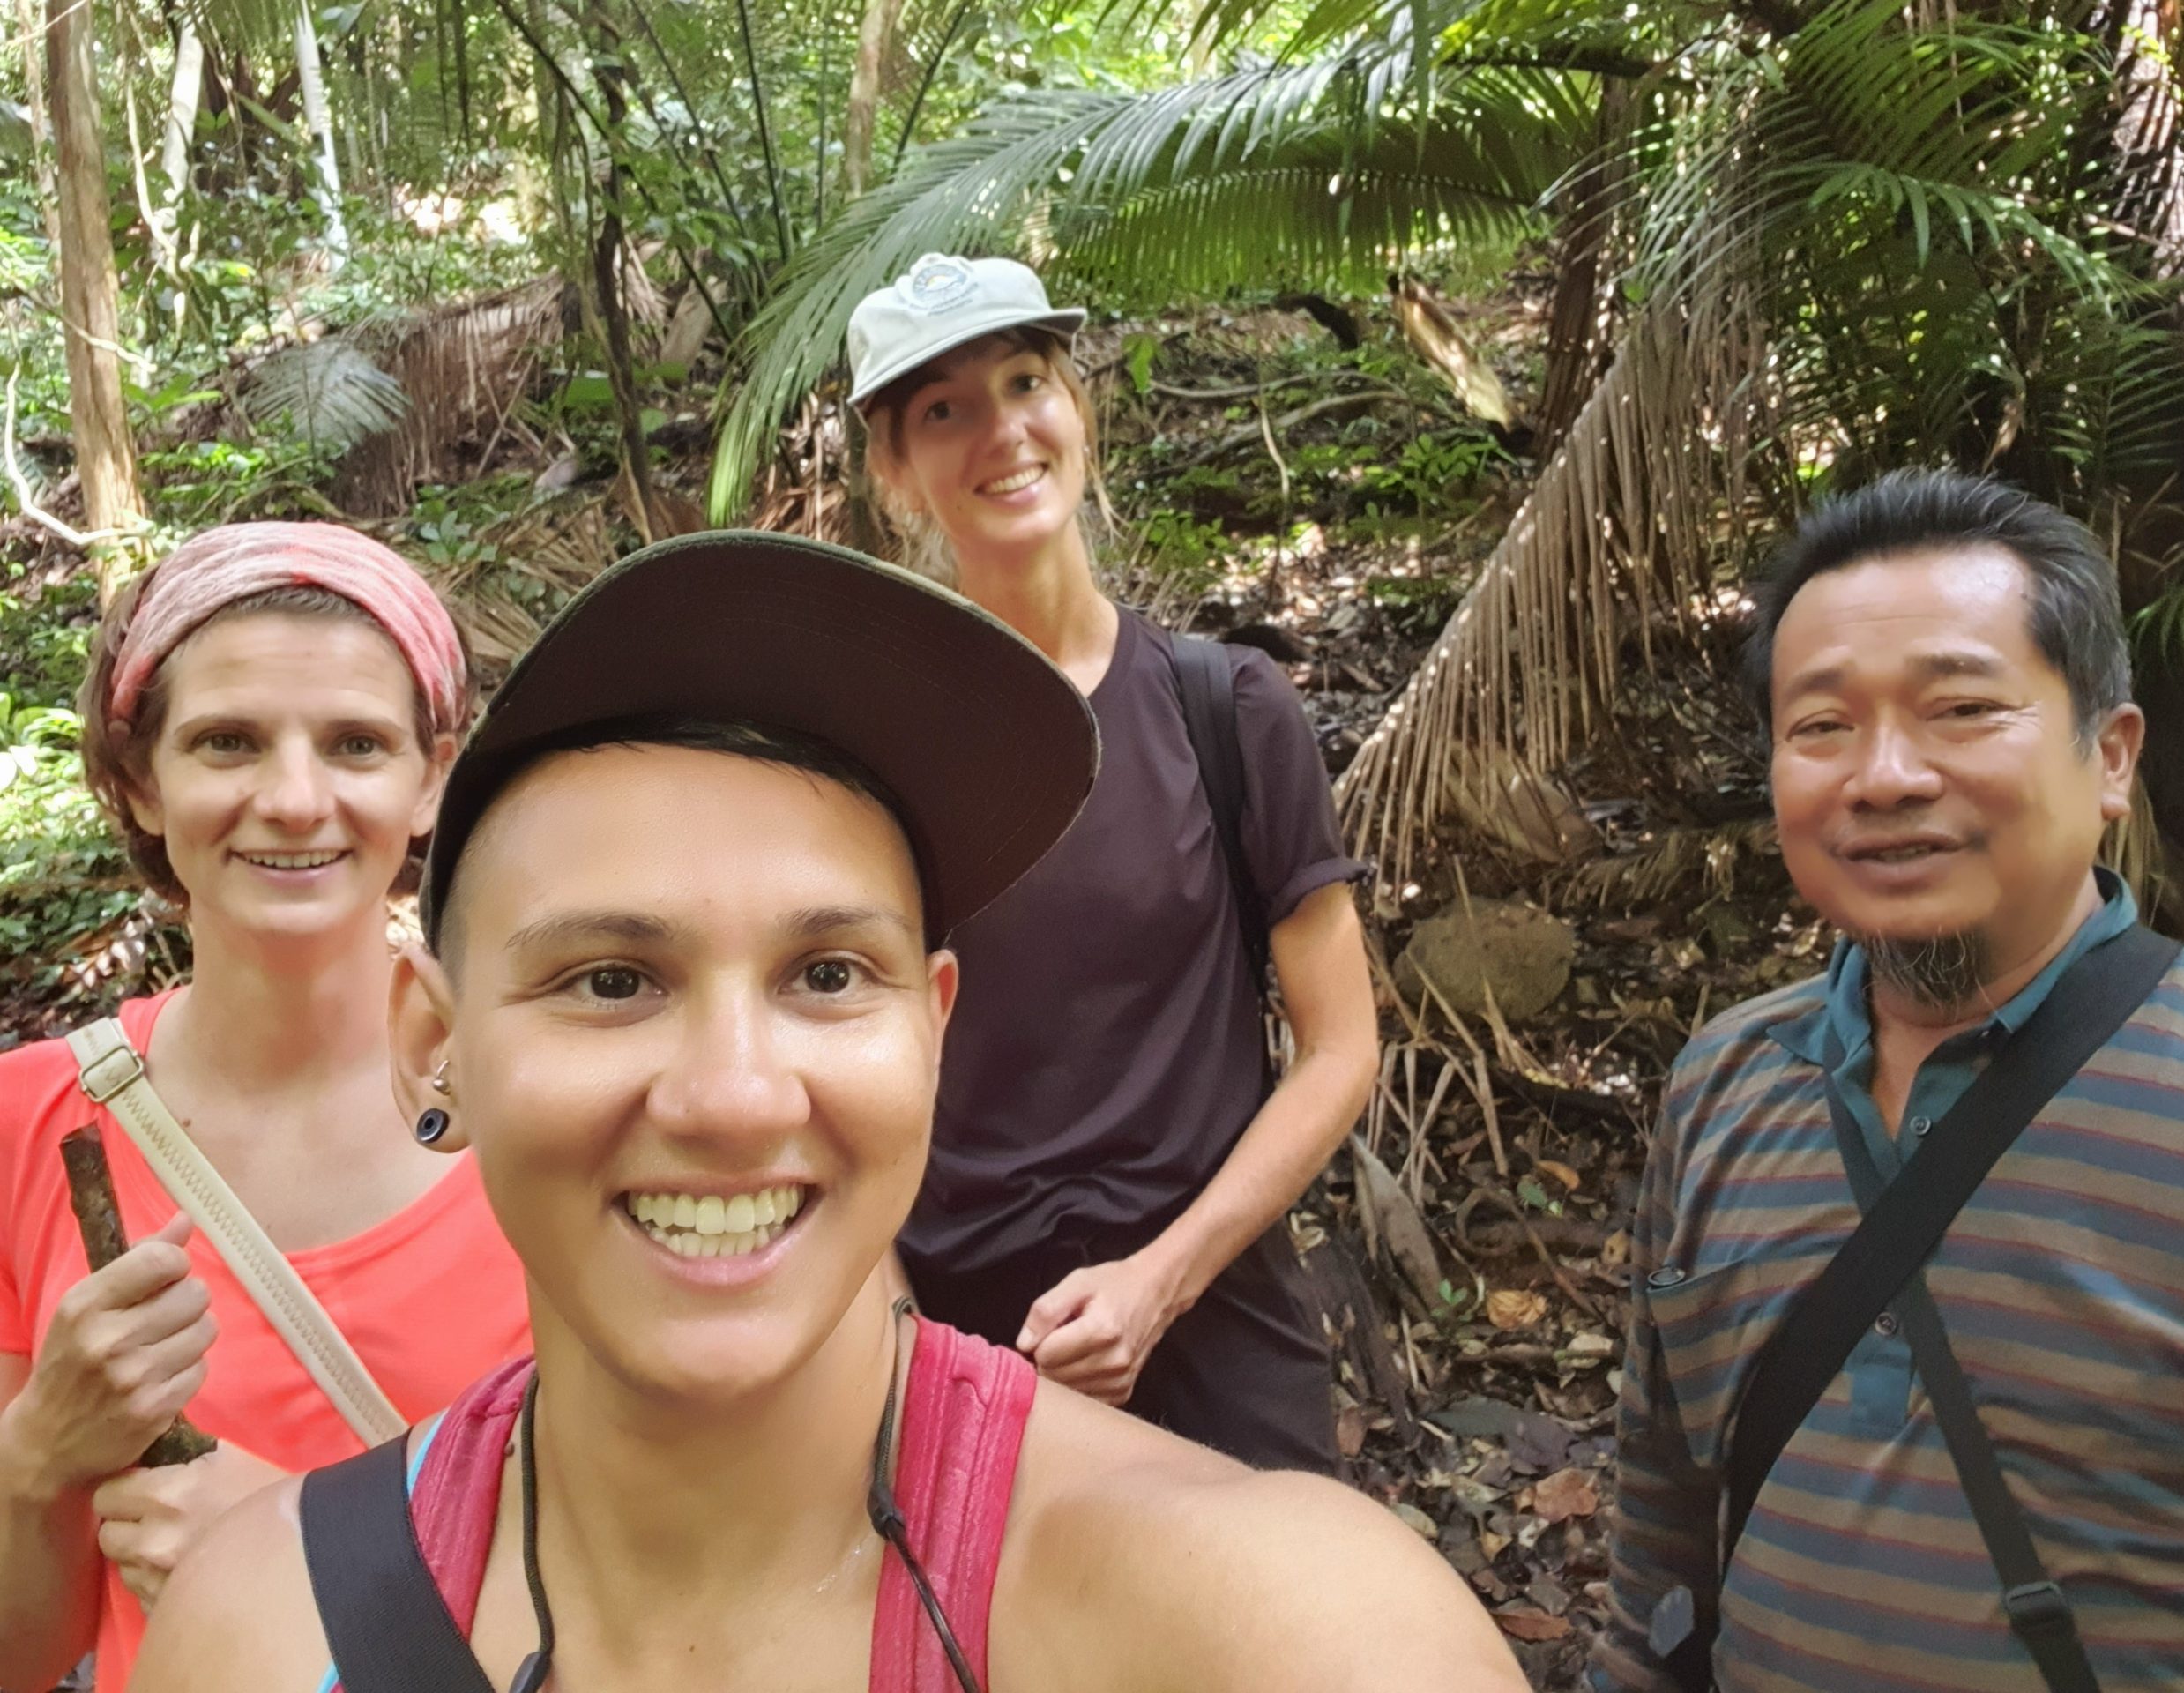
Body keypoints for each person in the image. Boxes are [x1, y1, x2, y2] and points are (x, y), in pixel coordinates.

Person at [124, 529, 1529, 1693]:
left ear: (933, 1030)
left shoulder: (1276, 1632)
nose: (735, 1096)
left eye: (826, 975)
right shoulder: (262, 1634)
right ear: (434, 1046)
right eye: (614, 980)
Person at [1592, 471, 2184, 1691]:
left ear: (2110, 758)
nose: (1884, 776)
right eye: (1822, 726)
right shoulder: (1728, 1083)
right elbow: (1662, 1535)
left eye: (1959, 708)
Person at [846, 255, 1381, 1472]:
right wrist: (900, 1345)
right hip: (965, 1350)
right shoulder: (871, 759)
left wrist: (1161, 1280)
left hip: (1216, 1325)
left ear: (1077, 409)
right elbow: (835, 1076)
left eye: (1026, 381)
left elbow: (1340, 1047)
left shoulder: (1227, 709)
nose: (1002, 431)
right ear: (897, 476)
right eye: (943, 410)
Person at [0, 525, 532, 1693]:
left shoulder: (548, 1106)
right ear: (142, 779)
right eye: (227, 742)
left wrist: (302, 1546)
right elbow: (25, 1654)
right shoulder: (29, 1126)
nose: (295, 800)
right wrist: (39, 1456)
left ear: (432, 775)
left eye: (356, 744)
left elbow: (691, 1579)